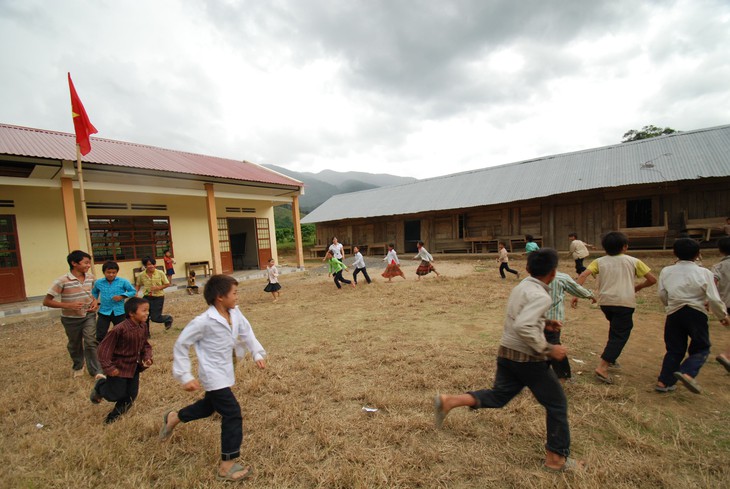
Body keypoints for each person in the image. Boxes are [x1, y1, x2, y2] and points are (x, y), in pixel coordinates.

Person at [434, 249, 583, 473]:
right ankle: (556, 459)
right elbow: (523, 325)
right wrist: (549, 349)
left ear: (527, 269)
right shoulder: (542, 295)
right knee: (557, 404)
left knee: (499, 395)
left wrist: (544, 322)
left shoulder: (521, 286)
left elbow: (521, 317)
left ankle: (449, 401)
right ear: (553, 273)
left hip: (506, 353)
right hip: (528, 360)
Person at [160, 274, 266, 482]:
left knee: (209, 407)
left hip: (228, 369)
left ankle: (174, 417)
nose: (237, 297)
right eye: (234, 293)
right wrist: (185, 376)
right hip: (212, 373)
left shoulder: (235, 313)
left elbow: (246, 332)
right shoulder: (203, 322)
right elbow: (181, 344)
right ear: (220, 297)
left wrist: (257, 353)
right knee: (232, 413)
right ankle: (227, 465)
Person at [577, 231, 657, 384]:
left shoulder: (599, 261)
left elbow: (583, 275)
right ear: (625, 247)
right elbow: (652, 280)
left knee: (615, 329)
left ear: (604, 247)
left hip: (606, 303)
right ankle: (603, 366)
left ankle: (611, 358)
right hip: (624, 302)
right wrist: (639, 287)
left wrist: (577, 293)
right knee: (620, 334)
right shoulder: (633, 261)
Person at [654, 238, 728, 394]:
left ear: (674, 253)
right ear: (698, 254)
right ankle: (688, 373)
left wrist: (669, 305)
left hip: (674, 313)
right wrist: (722, 315)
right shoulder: (704, 272)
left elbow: (662, 293)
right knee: (702, 347)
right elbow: (714, 298)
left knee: (674, 349)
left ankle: (663, 382)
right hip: (696, 313)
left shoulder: (666, 271)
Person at [90, 297, 153, 424]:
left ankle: (111, 419)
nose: (147, 313)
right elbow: (104, 349)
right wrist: (109, 368)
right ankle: (100, 385)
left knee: (130, 396)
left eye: (148, 310)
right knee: (115, 395)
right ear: (131, 313)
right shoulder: (119, 329)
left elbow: (145, 344)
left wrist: (147, 357)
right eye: (144, 310)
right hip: (118, 368)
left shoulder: (143, 326)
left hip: (134, 367)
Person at [43, 250, 102, 378]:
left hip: (88, 315)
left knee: (90, 341)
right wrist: (68, 305)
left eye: (89, 263)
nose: (88, 266)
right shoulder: (62, 281)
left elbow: (95, 293)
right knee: (74, 344)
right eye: (85, 263)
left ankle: (96, 371)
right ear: (74, 263)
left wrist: (95, 302)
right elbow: (46, 301)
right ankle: (78, 366)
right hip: (70, 318)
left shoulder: (91, 278)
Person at [546, 272, 595, 382]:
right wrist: (590, 295)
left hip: (536, 320)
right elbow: (576, 288)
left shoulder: (530, 280)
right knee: (554, 345)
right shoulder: (560, 277)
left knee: (545, 345)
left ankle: (561, 375)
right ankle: (562, 375)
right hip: (553, 320)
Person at [92, 260, 137, 342]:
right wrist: (94, 300)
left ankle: (121, 349)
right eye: (108, 272)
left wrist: (122, 296)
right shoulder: (98, 282)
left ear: (117, 272)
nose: (111, 274)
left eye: (114, 272)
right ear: (104, 272)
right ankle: (102, 350)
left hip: (119, 312)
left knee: (122, 332)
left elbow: (133, 291)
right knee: (100, 334)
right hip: (104, 311)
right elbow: (94, 292)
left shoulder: (123, 281)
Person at [135, 257, 173, 333]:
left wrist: (158, 287)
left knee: (155, 317)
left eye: (153, 264)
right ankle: (146, 333)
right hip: (146, 297)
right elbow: (138, 285)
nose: (151, 266)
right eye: (149, 264)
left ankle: (168, 318)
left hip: (158, 297)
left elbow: (167, 284)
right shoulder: (141, 275)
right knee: (144, 316)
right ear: (145, 265)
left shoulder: (160, 273)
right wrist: (136, 293)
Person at [711, 237, 730, 373]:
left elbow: (713, 285)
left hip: (726, 303)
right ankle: (726, 355)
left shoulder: (718, 267)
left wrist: (709, 301)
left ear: (720, 251)